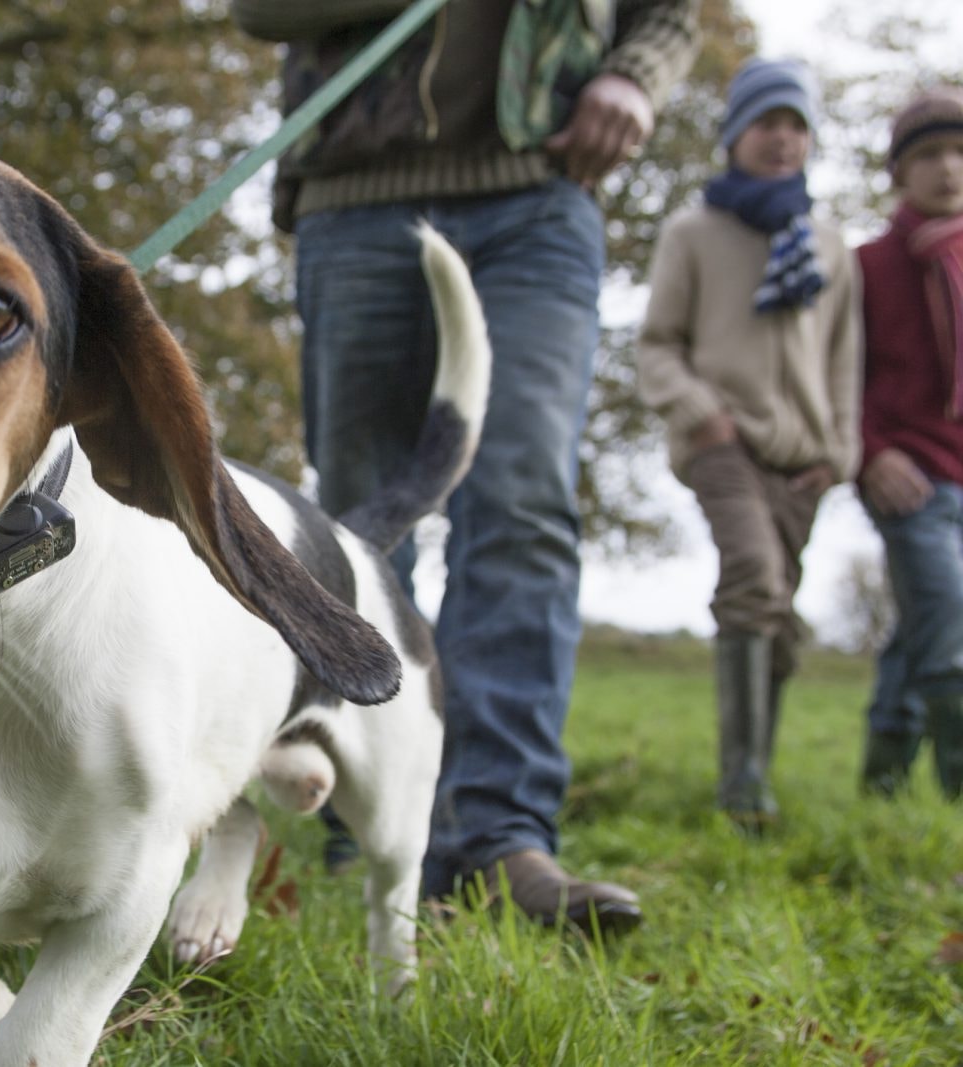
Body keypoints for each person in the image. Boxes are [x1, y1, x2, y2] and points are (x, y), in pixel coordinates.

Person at [229, 0, 700, 931]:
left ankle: (500, 838)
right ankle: (360, 824)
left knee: (523, 509)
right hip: (355, 192)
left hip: (541, 186)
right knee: (357, 530)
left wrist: (634, 73)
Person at [636, 58, 861, 829]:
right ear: (737, 133)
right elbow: (658, 343)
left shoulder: (828, 244)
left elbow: (843, 358)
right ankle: (742, 784)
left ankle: (755, 763)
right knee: (754, 577)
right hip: (721, 441)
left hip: (804, 457)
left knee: (779, 614)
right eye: (768, 122)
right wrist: (703, 411)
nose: (784, 139)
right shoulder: (694, 231)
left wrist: (841, 451)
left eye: (797, 125)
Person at [854, 86, 963, 800]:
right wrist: (870, 454)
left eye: (959, 152)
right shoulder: (868, 266)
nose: (948, 168)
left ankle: (883, 777)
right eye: (928, 154)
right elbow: (838, 377)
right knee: (950, 623)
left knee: (919, 626)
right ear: (899, 171)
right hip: (909, 475)